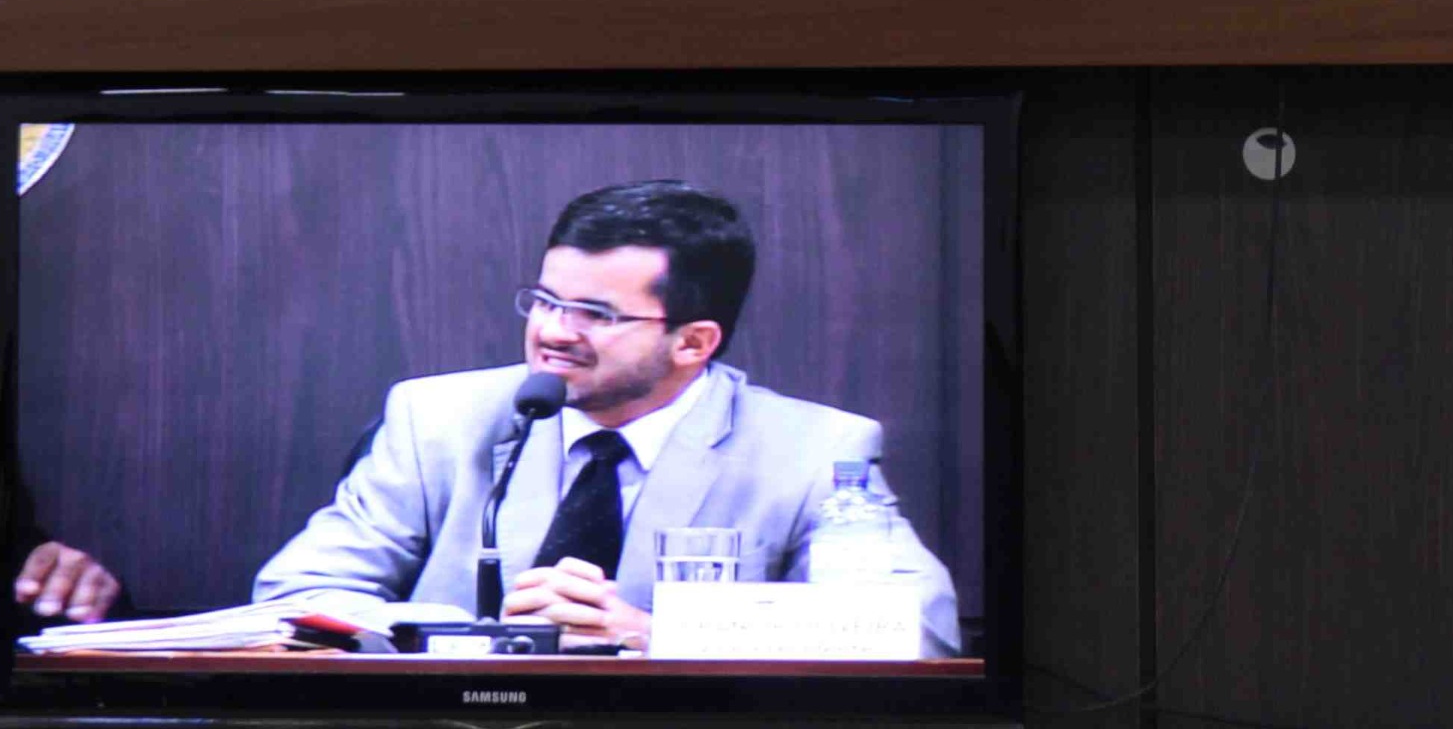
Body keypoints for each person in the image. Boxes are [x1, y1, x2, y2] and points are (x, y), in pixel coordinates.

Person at [253, 181, 961, 658]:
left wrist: (658, 634)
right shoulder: (437, 419)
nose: (552, 332)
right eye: (545, 300)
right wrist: (470, 639)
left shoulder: (813, 450)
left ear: (694, 342)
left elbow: (915, 629)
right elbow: (294, 595)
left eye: (595, 313)